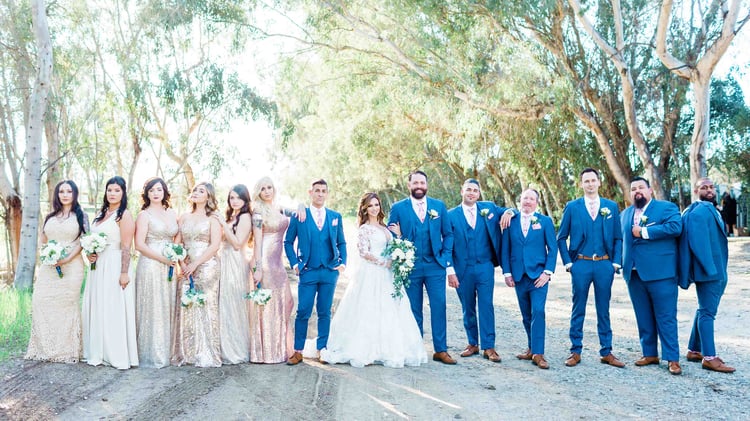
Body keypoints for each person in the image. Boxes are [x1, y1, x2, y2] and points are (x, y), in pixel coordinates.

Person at [320, 193, 428, 368]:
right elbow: (364, 252)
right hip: (372, 273)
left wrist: (398, 240)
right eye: (370, 206)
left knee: (391, 309)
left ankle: (389, 347)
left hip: (388, 274)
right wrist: (383, 262)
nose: (374, 208)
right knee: (369, 309)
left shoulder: (385, 227)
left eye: (376, 204)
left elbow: (394, 246)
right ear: (364, 209)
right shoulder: (364, 229)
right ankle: (366, 348)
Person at [556, 168, 625, 368]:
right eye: (586, 181)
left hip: (604, 264)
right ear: (581, 184)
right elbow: (561, 237)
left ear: (599, 182)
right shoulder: (572, 207)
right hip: (581, 263)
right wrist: (569, 263)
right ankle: (575, 351)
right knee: (578, 308)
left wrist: (615, 263)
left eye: (593, 180)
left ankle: (606, 351)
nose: (590, 184)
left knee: (604, 309)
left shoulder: (610, 207)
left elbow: (618, 237)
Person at [388, 171, 456, 365]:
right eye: (415, 182)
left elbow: (448, 234)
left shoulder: (438, 206)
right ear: (409, 185)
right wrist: (400, 243)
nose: (419, 185)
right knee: (413, 309)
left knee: (439, 306)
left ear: (427, 185)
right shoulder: (398, 207)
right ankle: (415, 349)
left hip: (435, 265)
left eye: (422, 182)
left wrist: (444, 257)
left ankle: (440, 350)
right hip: (411, 266)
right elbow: (391, 234)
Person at [621, 177, 682, 375]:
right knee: (643, 316)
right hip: (634, 274)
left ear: (650, 191)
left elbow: (675, 227)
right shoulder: (625, 214)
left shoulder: (666, 208)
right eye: (633, 189)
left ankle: (672, 358)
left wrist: (645, 232)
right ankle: (649, 354)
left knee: (666, 317)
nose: (637, 191)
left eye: (641, 187)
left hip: (661, 273)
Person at [284, 179, 347, 365]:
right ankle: (298, 350)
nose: (320, 194)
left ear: (327, 194)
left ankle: (322, 349)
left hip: (329, 271)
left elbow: (342, 242)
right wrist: (295, 264)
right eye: (317, 190)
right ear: (310, 192)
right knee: (303, 310)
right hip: (308, 271)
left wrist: (343, 262)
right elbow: (288, 242)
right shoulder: (299, 216)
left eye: (323, 191)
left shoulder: (335, 216)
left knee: (324, 311)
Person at [447, 179, 510, 363]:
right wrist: (450, 270)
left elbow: (511, 210)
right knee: (468, 307)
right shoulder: (451, 215)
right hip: (462, 269)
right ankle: (472, 343)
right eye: (468, 190)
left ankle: (489, 347)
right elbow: (446, 245)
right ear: (462, 191)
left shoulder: (488, 208)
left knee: (486, 306)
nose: (472, 193)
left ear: (479, 193)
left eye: (475, 190)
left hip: (485, 266)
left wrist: (508, 212)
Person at [26, 180, 89, 363]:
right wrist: (48, 255)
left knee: (66, 305)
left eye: (69, 191)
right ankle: (45, 348)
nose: (65, 194)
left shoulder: (81, 215)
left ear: (75, 194)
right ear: (57, 195)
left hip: (72, 266)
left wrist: (67, 258)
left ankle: (67, 350)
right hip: (49, 267)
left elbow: (84, 241)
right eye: (61, 191)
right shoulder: (49, 216)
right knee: (41, 300)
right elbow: (44, 239)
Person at [679, 177, 736, 373]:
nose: (709, 190)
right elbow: (698, 243)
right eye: (704, 187)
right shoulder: (700, 211)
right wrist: (711, 270)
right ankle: (709, 357)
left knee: (703, 309)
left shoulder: (711, 209)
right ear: (696, 191)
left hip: (717, 269)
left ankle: (694, 349)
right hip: (710, 272)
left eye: (711, 187)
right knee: (707, 313)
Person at [82, 176, 139, 369]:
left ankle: (115, 353)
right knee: (99, 305)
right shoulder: (101, 214)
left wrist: (124, 272)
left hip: (115, 264)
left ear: (123, 193)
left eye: (116, 190)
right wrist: (91, 253)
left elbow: (126, 246)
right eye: (109, 190)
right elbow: (94, 238)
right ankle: (97, 350)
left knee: (113, 307)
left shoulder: (125, 215)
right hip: (98, 266)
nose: (112, 193)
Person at [501, 189, 557, 370]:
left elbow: (553, 249)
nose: (527, 201)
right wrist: (507, 273)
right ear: (520, 200)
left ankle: (538, 354)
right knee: (526, 314)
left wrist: (547, 272)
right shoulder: (511, 221)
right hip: (518, 276)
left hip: (538, 276)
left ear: (537, 203)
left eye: (531, 199)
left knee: (538, 311)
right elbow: (505, 249)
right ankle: (531, 347)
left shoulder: (545, 221)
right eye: (525, 198)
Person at [171, 182, 222, 367]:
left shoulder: (213, 219)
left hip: (207, 265)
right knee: (186, 304)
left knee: (205, 306)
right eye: (195, 190)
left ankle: (207, 352)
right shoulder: (184, 217)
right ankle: (187, 353)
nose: (196, 193)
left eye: (201, 191)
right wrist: (183, 263)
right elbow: (178, 243)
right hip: (186, 267)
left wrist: (195, 264)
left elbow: (215, 245)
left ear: (208, 197)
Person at [248, 177, 299, 363]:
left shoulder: (278, 208)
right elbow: (258, 241)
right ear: (258, 193)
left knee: (286, 303)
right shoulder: (258, 212)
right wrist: (258, 267)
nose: (267, 191)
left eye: (269, 187)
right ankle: (267, 351)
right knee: (269, 306)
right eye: (263, 189)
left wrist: (301, 206)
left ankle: (281, 347)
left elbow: (295, 212)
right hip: (266, 263)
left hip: (278, 262)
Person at [134, 177, 179, 368]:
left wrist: (175, 253)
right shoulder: (144, 215)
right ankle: (151, 353)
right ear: (147, 194)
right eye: (151, 190)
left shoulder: (172, 213)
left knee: (168, 304)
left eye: (159, 189)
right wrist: (163, 258)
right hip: (151, 265)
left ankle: (168, 351)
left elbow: (177, 235)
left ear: (164, 192)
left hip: (170, 265)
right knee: (153, 306)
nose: (155, 193)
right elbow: (139, 244)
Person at [217, 184, 252, 364]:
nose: (235, 201)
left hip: (235, 262)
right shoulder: (232, 216)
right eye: (231, 198)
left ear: (245, 199)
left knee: (233, 304)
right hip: (224, 260)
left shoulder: (245, 217)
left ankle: (236, 350)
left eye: (238, 197)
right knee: (224, 304)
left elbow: (238, 243)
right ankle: (224, 346)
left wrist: (223, 225)